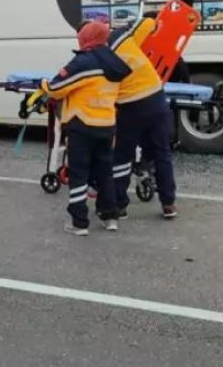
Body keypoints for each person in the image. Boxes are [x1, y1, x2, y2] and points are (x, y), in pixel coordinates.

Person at [39, 21, 131, 235]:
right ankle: (110, 217)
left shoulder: (83, 62)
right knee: (104, 173)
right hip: (107, 125)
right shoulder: (115, 63)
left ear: (85, 38)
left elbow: (56, 88)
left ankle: (79, 222)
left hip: (82, 125)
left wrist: (43, 84)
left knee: (79, 173)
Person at [109, 14, 178, 220]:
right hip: (156, 100)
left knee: (122, 157)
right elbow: (148, 23)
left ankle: (119, 205)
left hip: (130, 107)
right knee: (161, 152)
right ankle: (169, 203)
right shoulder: (123, 37)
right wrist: (152, 21)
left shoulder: (96, 58)